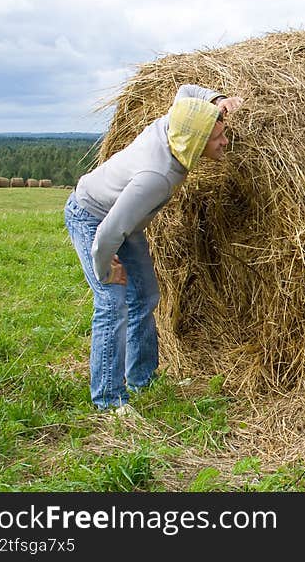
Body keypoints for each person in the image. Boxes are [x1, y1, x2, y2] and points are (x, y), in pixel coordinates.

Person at [64, 84, 244, 411]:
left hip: (123, 222)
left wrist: (216, 102)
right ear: (197, 140)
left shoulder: (175, 125)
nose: (225, 142)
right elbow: (108, 232)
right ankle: (108, 400)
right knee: (112, 301)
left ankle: (142, 380)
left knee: (146, 295)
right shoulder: (156, 175)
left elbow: (186, 90)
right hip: (91, 217)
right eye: (218, 137)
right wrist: (107, 267)